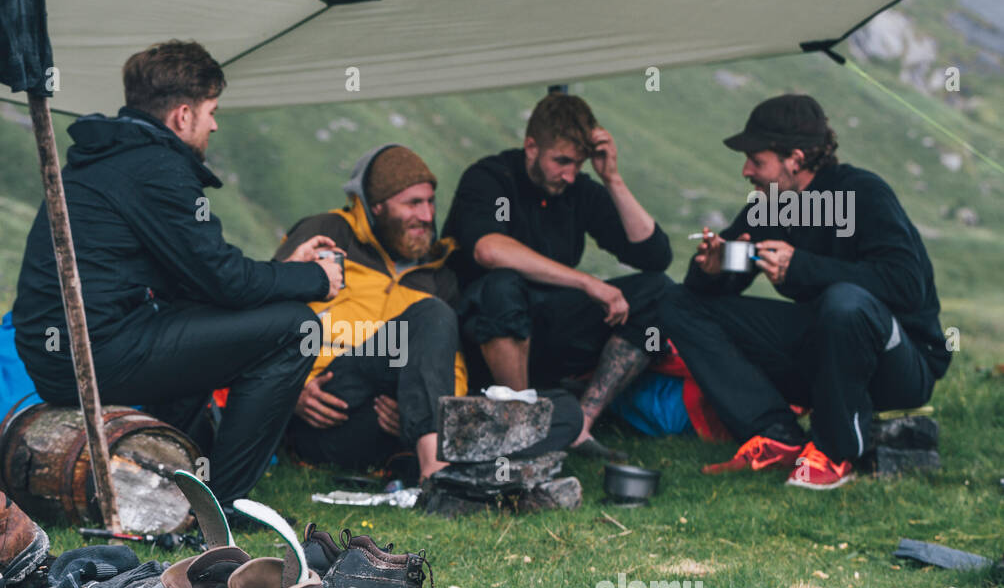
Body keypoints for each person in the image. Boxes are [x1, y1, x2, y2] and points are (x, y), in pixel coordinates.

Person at [11, 40, 343, 505]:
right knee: (296, 327)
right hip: (91, 356)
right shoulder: (156, 167)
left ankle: (177, 477)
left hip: (68, 351)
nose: (215, 123)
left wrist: (285, 270)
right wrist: (316, 280)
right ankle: (221, 503)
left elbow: (203, 276)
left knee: (209, 318)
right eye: (211, 111)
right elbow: (223, 278)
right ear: (182, 115)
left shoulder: (110, 157)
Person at [660, 94, 951, 489]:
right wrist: (712, 268)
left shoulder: (862, 193)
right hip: (825, 352)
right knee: (676, 303)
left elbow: (905, 284)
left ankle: (835, 452)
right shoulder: (771, 205)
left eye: (757, 160)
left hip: (902, 363)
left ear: (794, 159)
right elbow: (707, 291)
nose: (746, 170)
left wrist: (802, 267)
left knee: (844, 302)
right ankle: (776, 434)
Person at [442, 92, 673, 458]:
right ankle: (520, 425)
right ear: (531, 147)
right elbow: (489, 249)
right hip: (485, 335)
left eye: (577, 164)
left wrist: (611, 178)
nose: (569, 174)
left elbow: (655, 256)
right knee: (502, 286)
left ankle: (580, 426)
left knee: (658, 292)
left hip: (550, 329)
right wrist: (586, 282)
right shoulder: (492, 178)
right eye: (561, 161)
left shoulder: (576, 189)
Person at [274, 145, 466, 481]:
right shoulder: (327, 233)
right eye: (412, 203)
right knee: (429, 316)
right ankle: (436, 474)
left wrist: (418, 412)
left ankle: (424, 461)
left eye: (430, 201)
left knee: (561, 413)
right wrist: (294, 392)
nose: (427, 215)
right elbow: (268, 316)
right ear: (377, 206)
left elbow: (452, 368)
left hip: (379, 426)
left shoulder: (438, 274)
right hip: (325, 400)